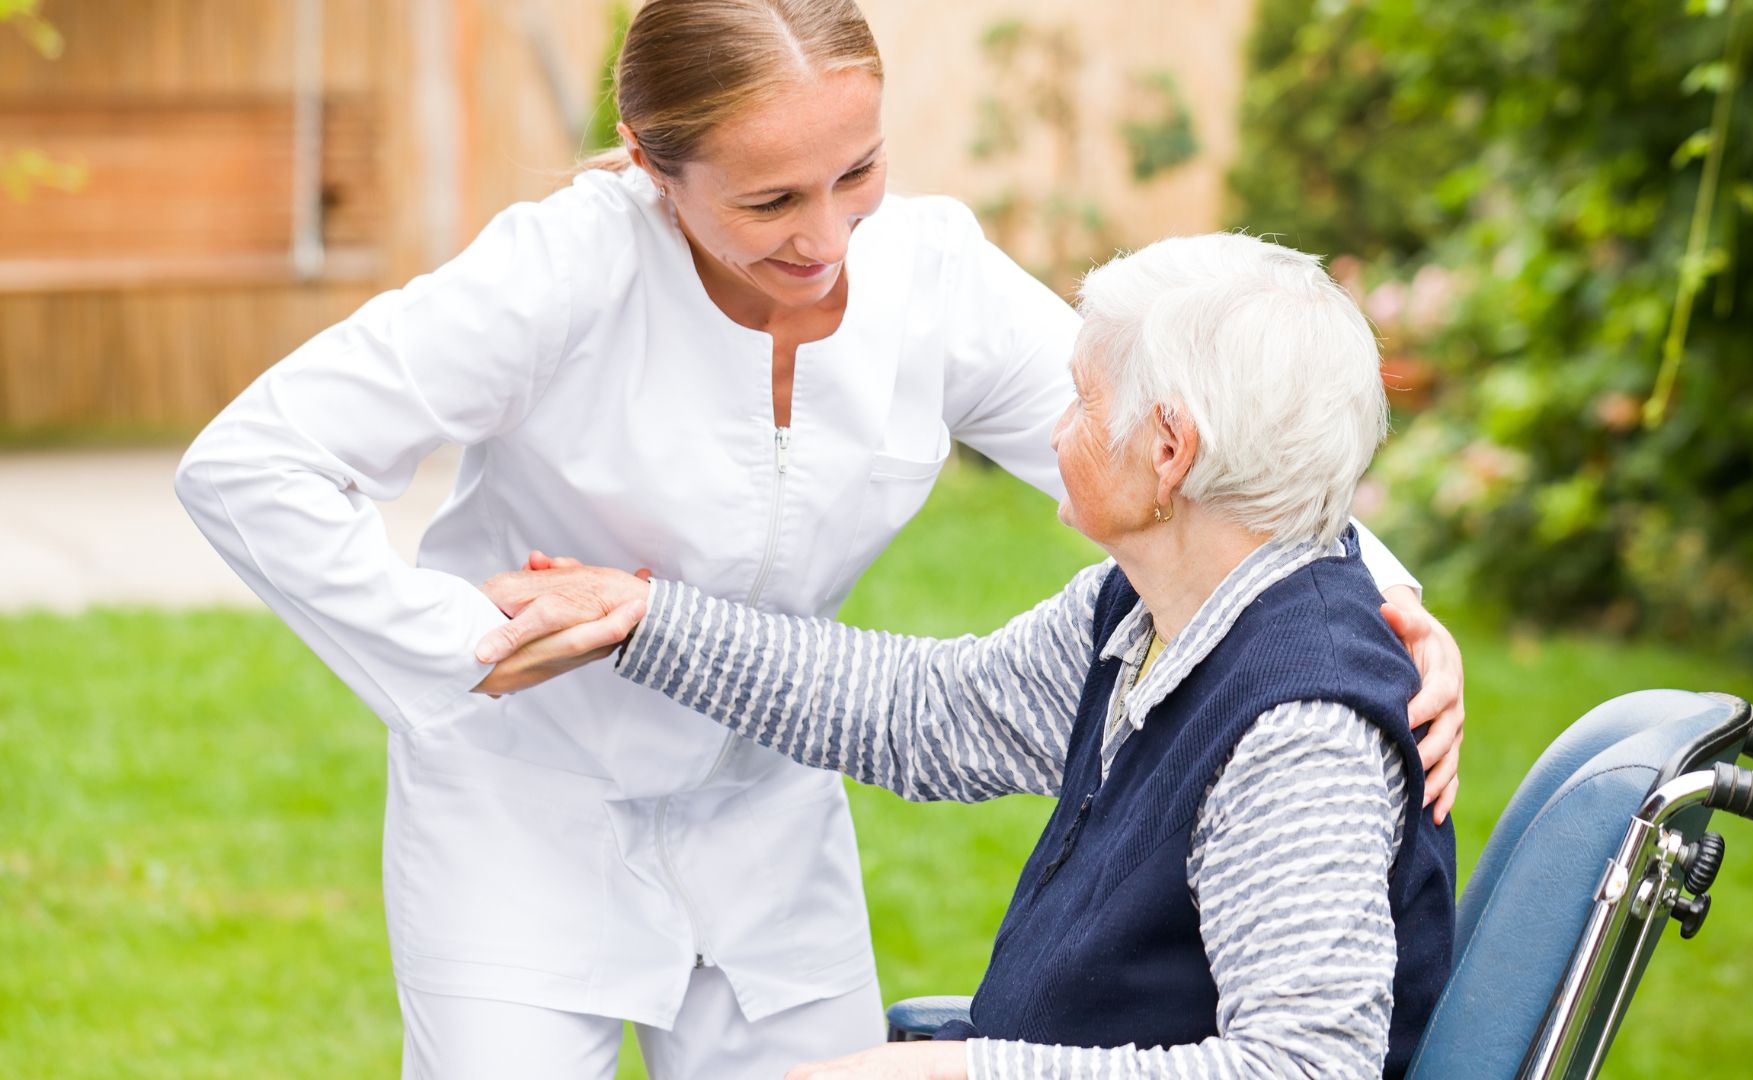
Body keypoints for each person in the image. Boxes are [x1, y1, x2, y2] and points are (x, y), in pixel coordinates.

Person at [174, 2, 1463, 1077]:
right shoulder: (560, 275)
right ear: (647, 161)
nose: (829, 238)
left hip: (767, 805)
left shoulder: (928, 276)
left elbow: (1226, 457)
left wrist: (1388, 616)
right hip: (527, 807)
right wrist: (466, 642)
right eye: (772, 197)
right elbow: (253, 465)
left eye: (858, 173)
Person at [479, 232, 1454, 1080]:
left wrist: (963, 1069)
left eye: (1080, 402)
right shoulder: (1152, 610)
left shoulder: (1297, 739)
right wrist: (645, 618)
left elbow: (1306, 1066)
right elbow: (928, 714)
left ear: (1167, 453)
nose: (1054, 430)